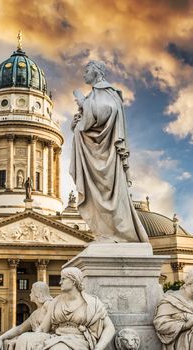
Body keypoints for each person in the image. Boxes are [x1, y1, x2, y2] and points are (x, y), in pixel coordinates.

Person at [69, 60, 148, 243]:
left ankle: (117, 233)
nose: (83, 74)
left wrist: (82, 102)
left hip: (107, 156)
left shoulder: (107, 93)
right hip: (95, 153)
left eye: (86, 70)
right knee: (96, 196)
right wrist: (76, 125)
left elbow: (106, 112)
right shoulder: (95, 95)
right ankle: (106, 232)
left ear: (96, 72)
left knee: (110, 195)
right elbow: (87, 126)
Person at [35, 266, 115, 350]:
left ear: (73, 281)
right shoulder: (55, 302)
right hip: (56, 338)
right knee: (24, 339)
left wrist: (99, 347)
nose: (60, 282)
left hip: (78, 341)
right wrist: (34, 338)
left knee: (59, 348)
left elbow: (110, 327)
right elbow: (43, 328)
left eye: (63, 279)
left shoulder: (92, 303)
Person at [0, 282, 53, 350]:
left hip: (47, 339)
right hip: (37, 339)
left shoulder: (48, 304)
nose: (30, 294)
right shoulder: (35, 314)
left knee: (23, 337)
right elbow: (20, 328)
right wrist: (0, 338)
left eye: (31, 292)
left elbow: (44, 329)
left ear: (37, 294)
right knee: (7, 342)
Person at [154, 269, 193, 349]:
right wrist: (185, 325)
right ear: (191, 282)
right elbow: (160, 324)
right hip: (182, 338)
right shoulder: (171, 299)